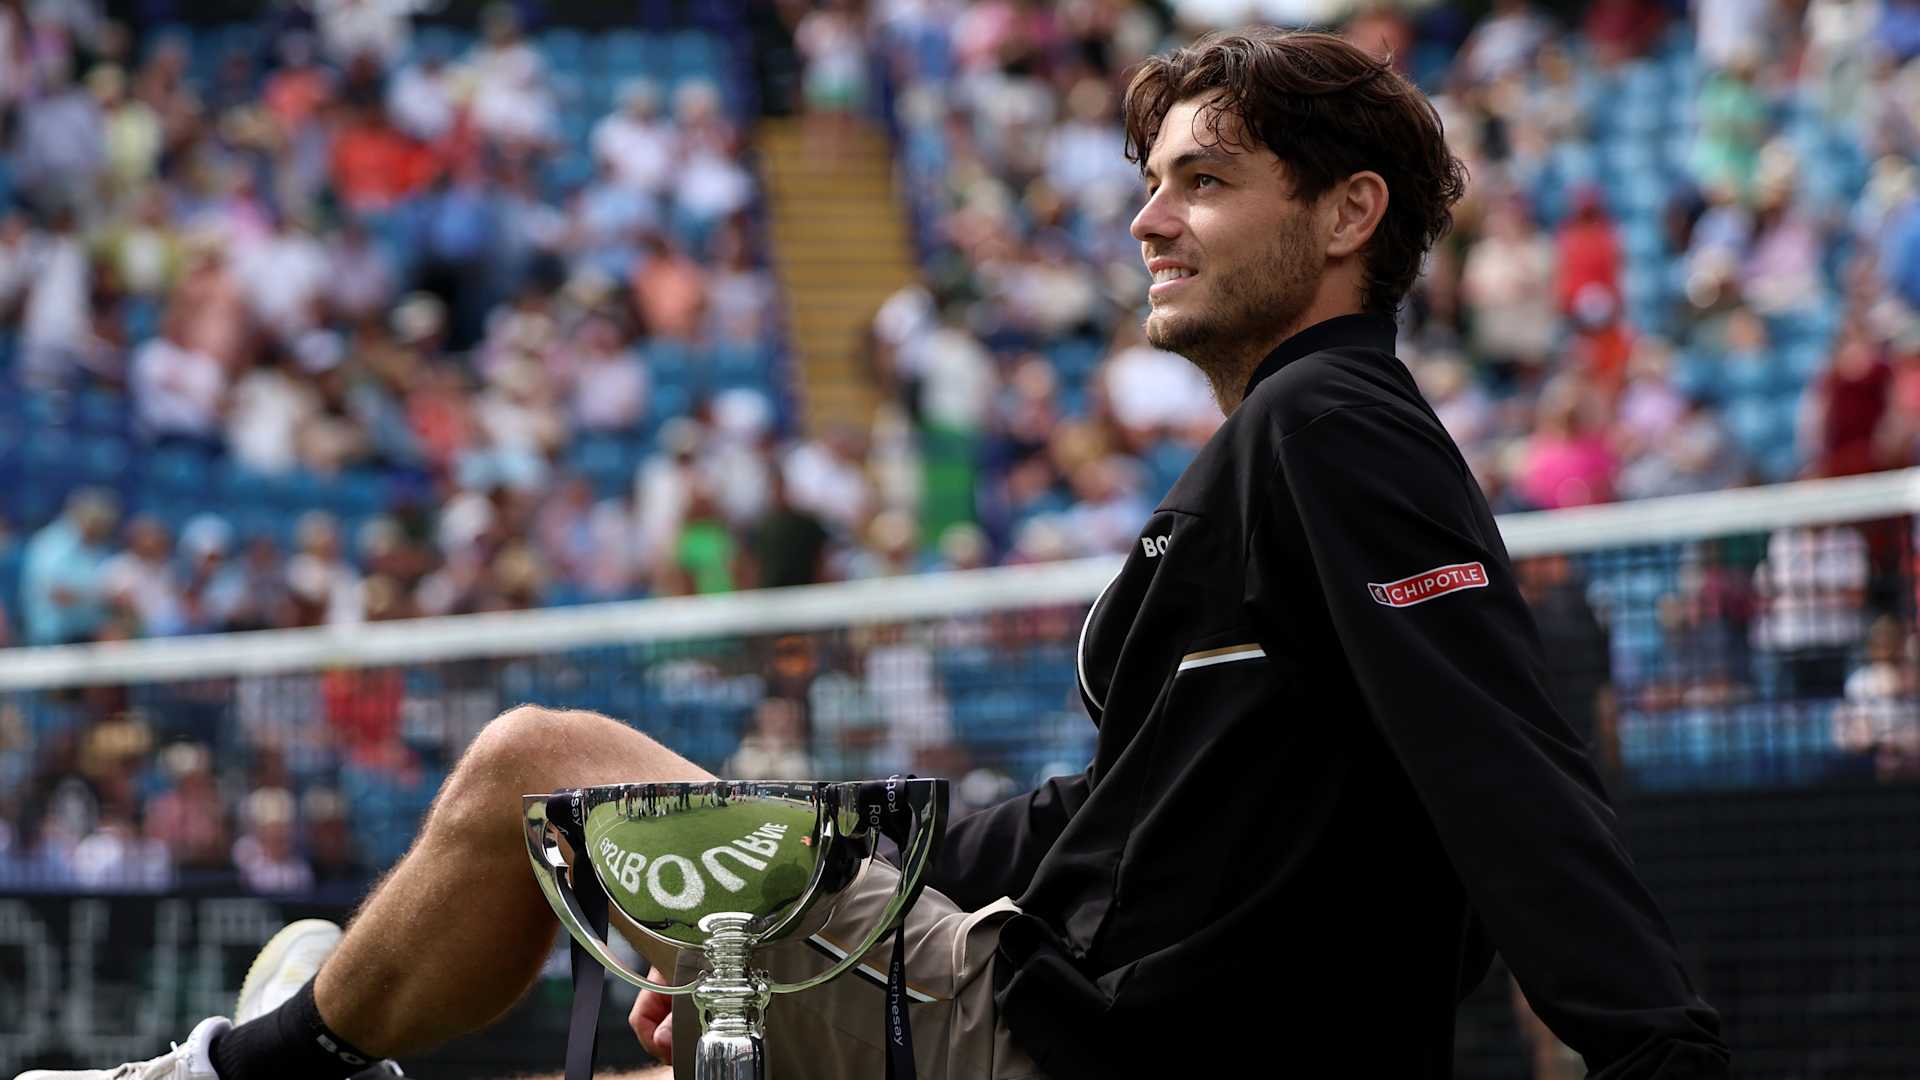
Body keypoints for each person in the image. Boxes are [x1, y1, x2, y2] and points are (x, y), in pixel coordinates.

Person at [20, 29, 1728, 1080]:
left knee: (537, 763)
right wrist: (807, 850)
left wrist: (1660, 1055)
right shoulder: (1301, 454)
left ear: (1349, 213)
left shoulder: (1331, 423)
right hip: (1079, 1009)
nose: (1146, 218)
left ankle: (235, 1075)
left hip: (1086, 1047)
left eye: (1204, 182)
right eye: (1150, 181)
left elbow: (1508, 769)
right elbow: (1103, 822)